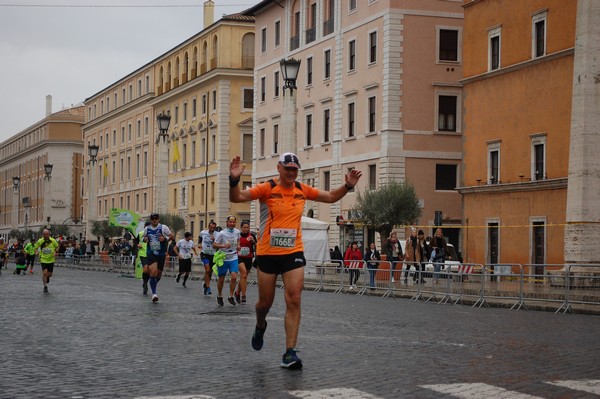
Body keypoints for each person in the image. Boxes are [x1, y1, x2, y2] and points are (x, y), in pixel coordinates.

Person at [229, 152, 362, 369]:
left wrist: (347, 187)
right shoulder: (267, 188)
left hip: (293, 251)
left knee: (294, 298)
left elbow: (329, 196)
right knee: (265, 304)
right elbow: (237, 198)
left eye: (294, 169)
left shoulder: (302, 190)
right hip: (268, 253)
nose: (291, 172)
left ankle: (290, 352)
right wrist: (234, 180)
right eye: (287, 168)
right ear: (279, 168)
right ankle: (260, 325)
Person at [143, 213, 173, 302]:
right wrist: (145, 239)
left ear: (158, 219)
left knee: (158, 275)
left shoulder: (163, 228)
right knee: (153, 272)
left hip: (161, 253)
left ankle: (152, 285)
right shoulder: (147, 229)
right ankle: (154, 294)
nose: (154, 220)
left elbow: (172, 236)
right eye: (152, 219)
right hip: (151, 253)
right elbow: (143, 238)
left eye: (156, 218)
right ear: (150, 220)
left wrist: (165, 239)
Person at [213, 216, 240, 306]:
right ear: (227, 223)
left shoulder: (237, 232)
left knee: (234, 277)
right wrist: (223, 246)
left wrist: (238, 246)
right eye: (230, 222)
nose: (232, 224)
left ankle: (231, 296)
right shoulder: (222, 233)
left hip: (233, 257)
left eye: (233, 222)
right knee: (221, 279)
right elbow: (214, 244)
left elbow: (238, 241)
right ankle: (220, 295)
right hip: (223, 258)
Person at [235, 220, 256, 304]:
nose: (246, 229)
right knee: (243, 275)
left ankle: (237, 293)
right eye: (244, 227)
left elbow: (257, 245)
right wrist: (237, 246)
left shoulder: (252, 235)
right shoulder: (237, 236)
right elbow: (233, 245)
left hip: (249, 258)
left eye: (247, 227)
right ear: (241, 228)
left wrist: (253, 242)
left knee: (243, 277)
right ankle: (243, 295)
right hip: (239, 258)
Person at [198, 220, 217, 295]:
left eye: (214, 228)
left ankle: (205, 285)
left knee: (210, 272)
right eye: (211, 228)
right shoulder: (203, 232)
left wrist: (214, 240)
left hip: (213, 255)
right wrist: (199, 244)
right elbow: (200, 238)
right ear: (208, 227)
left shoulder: (217, 234)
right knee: (207, 269)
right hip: (204, 254)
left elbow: (218, 244)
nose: (212, 229)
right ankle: (208, 287)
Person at [135, 222, 151, 294]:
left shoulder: (153, 234)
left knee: (149, 271)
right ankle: (145, 284)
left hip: (151, 254)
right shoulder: (141, 233)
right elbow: (136, 242)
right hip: (143, 254)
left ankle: (145, 282)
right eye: (146, 227)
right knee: (145, 268)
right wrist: (138, 245)